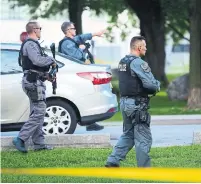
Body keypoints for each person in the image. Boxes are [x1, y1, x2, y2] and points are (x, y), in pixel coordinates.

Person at [105, 36, 160, 168]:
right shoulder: (138, 63)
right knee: (143, 137)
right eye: (144, 46)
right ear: (139, 47)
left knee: (129, 134)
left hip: (124, 103)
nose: (146, 48)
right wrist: (157, 85)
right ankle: (144, 169)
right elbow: (150, 84)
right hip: (136, 105)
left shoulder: (123, 61)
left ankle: (113, 160)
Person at [13, 21, 57, 153]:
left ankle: (39, 143)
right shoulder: (30, 44)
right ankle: (20, 139)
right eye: (40, 28)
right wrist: (51, 60)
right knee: (39, 111)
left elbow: (34, 67)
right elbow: (37, 60)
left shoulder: (32, 44)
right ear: (34, 29)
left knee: (37, 112)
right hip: (32, 82)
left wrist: (47, 76)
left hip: (35, 81)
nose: (41, 30)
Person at [58, 21, 105, 131]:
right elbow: (77, 56)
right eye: (73, 28)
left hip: (74, 74)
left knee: (86, 96)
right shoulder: (66, 43)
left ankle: (90, 122)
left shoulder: (71, 40)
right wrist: (82, 49)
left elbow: (80, 38)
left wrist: (94, 34)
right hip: (70, 76)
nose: (75, 30)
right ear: (68, 30)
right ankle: (88, 122)